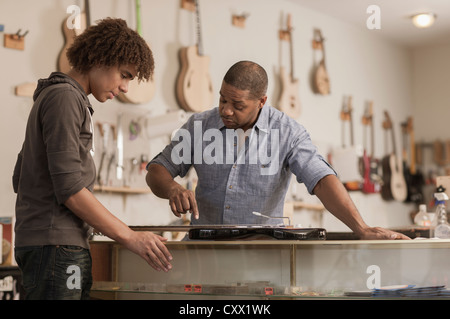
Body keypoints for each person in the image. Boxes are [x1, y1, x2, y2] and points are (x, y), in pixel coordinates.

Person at [146, 60, 410, 240]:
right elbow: (157, 169)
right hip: (203, 249)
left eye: (237, 105)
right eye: (222, 99)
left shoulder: (288, 132)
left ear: (261, 102)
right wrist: (173, 188)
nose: (226, 110)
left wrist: (361, 228)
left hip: (263, 252)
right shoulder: (200, 126)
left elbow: (321, 179)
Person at [12, 18, 172, 300]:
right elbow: (71, 190)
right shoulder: (64, 98)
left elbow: (22, 177)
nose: (124, 87)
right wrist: (130, 237)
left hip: (54, 246)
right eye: (124, 74)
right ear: (100, 58)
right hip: (56, 248)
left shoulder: (59, 98)